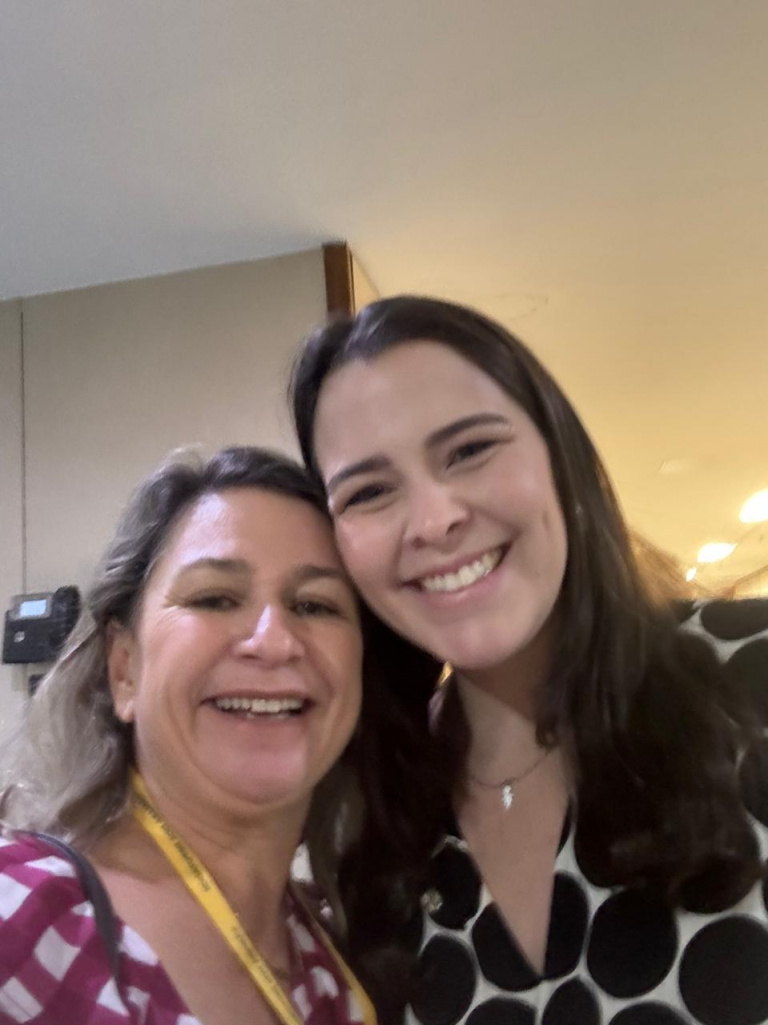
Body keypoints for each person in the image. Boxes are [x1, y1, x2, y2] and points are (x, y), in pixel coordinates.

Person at [290, 297, 768, 1025]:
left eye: (469, 450)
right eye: (370, 491)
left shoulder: (749, 675)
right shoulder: (373, 824)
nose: (434, 521)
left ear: (558, 455)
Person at [0, 446, 380, 1025]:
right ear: (124, 669)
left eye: (315, 605)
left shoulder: (333, 972)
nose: (274, 641)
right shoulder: (18, 923)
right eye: (214, 599)